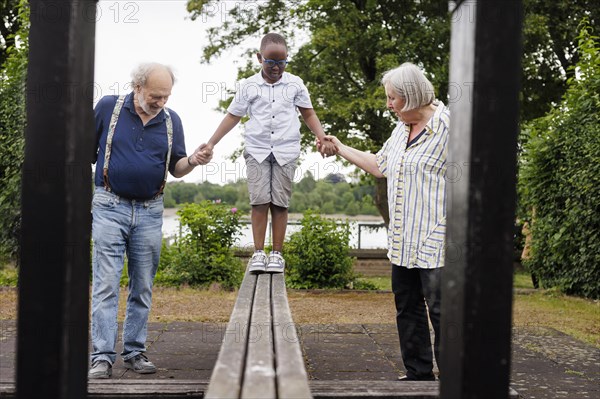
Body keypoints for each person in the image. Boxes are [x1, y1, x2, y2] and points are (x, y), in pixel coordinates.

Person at [321, 62, 449, 381]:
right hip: (403, 241)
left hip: (439, 242)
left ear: (412, 96)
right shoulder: (400, 129)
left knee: (444, 313)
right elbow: (380, 165)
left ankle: (457, 377)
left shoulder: (450, 127)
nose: (388, 104)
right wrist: (339, 148)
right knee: (407, 308)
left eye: (393, 98)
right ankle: (418, 372)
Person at [88, 63, 212, 379]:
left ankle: (134, 352)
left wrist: (194, 161)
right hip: (109, 205)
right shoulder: (108, 108)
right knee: (105, 284)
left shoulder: (172, 121)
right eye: (155, 95)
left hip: (150, 211)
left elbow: (177, 167)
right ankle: (102, 356)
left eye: (166, 96)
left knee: (142, 286)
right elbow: (86, 151)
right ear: (138, 87)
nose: (160, 102)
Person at [201, 32, 335, 274]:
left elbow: (308, 113)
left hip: (286, 149)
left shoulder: (295, 84)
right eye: (271, 62)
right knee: (260, 201)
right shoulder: (248, 85)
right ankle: (259, 253)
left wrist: (321, 135)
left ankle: (277, 254)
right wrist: (211, 143)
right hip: (257, 149)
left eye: (281, 62)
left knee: (280, 203)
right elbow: (233, 115)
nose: (276, 68)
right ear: (259, 58)